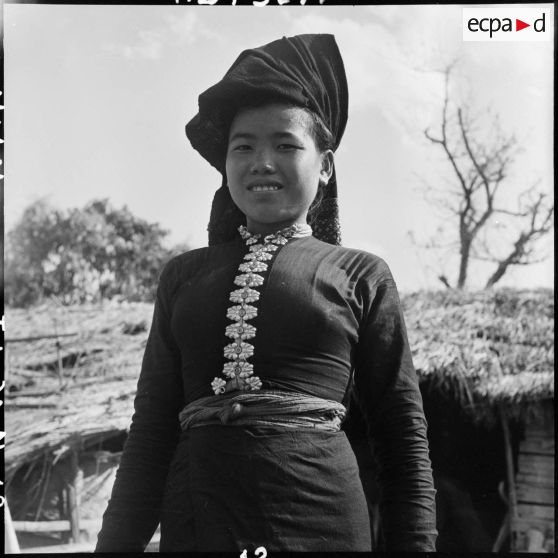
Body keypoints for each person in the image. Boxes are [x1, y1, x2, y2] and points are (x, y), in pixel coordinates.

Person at [95, 33, 437, 553]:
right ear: (225, 163)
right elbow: (149, 434)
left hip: (317, 516)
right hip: (199, 518)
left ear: (324, 165)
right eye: (244, 146)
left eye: (286, 145)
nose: (262, 161)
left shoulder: (360, 275)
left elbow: (402, 437)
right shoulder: (183, 277)